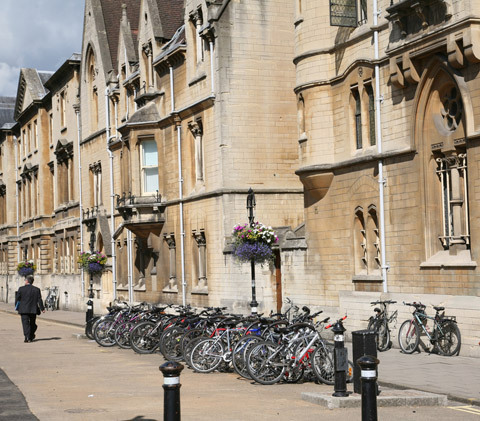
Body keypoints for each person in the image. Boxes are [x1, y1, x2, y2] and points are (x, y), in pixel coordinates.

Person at [15, 275, 45, 343]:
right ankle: (30, 336)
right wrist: (42, 308)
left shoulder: (21, 289)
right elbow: (39, 300)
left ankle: (27, 337)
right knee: (32, 323)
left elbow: (17, 299)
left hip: (23, 309)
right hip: (33, 309)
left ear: (26, 281)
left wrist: (16, 307)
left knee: (25, 324)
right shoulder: (36, 289)